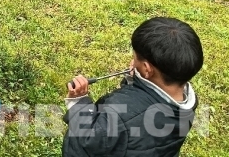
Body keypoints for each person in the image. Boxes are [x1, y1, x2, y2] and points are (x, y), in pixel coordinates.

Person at [62, 16, 203, 156]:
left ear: (147, 69)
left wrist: (79, 102)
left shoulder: (120, 112)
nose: (133, 62)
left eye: (135, 58)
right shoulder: (186, 102)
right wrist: (134, 80)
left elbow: (90, 138)